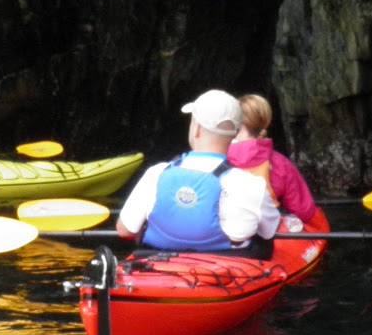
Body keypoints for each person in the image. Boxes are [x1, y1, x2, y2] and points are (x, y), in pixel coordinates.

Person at [115, 89, 280, 254]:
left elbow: (125, 230)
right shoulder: (252, 184)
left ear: (197, 129)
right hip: (229, 270)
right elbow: (268, 233)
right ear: (235, 133)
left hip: (158, 265)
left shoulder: (156, 174)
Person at [227, 93, 319, 231]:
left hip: (231, 232)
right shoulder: (280, 163)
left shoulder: (220, 160)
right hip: (268, 234)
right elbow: (302, 210)